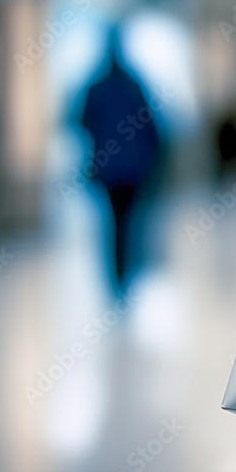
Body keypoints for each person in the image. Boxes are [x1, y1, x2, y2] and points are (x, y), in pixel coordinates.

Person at [80, 24, 163, 298]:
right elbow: (151, 126)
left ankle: (118, 272)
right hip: (132, 169)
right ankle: (125, 271)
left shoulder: (97, 87)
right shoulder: (132, 86)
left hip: (109, 168)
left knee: (114, 222)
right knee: (128, 221)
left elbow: (80, 120)